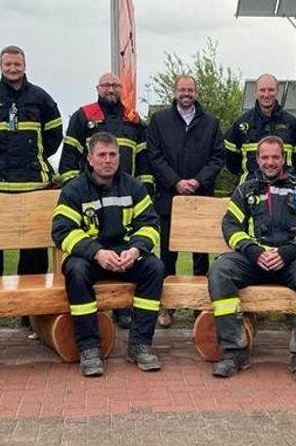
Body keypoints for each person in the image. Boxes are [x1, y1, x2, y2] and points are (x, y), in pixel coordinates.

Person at [0, 45, 63, 333]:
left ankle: (31, 311)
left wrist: (36, 159)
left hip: (33, 184)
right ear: (0, 65)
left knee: (34, 253)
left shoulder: (41, 98)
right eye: (8, 64)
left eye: (17, 63)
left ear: (25, 64)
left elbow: (54, 137)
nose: (13, 68)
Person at [208, 135, 296, 382]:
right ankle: (234, 352)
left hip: (292, 259)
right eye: (265, 157)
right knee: (220, 270)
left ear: (283, 158)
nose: (270, 162)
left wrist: (289, 251)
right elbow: (230, 226)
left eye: (275, 157)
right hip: (254, 259)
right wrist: (253, 251)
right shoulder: (245, 189)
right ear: (257, 159)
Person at [51, 132, 165, 377]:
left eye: (113, 154)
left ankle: (140, 345)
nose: (108, 160)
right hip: (91, 259)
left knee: (154, 267)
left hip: (126, 256)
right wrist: (96, 253)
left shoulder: (134, 187)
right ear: (90, 159)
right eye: (102, 155)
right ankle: (90, 349)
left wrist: (136, 250)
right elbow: (62, 231)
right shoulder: (74, 190)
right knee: (76, 270)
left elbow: (150, 225)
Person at [58, 73, 153, 329]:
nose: (111, 89)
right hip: (90, 196)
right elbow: (70, 154)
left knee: (144, 261)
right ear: (97, 88)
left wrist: (144, 188)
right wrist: (73, 188)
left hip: (126, 194)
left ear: (121, 89)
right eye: (106, 85)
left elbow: (143, 158)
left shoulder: (133, 119)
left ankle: (125, 314)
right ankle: (89, 335)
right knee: (81, 266)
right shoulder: (84, 115)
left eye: (115, 85)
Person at [146, 75, 225, 327]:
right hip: (170, 198)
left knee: (200, 256)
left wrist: (198, 181)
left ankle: (199, 307)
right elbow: (154, 156)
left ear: (197, 92)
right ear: (174, 92)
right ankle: (166, 307)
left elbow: (218, 157)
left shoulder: (211, 123)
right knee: (167, 255)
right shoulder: (159, 120)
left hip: (201, 199)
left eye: (190, 89)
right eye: (182, 89)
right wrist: (175, 182)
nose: (186, 93)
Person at [224, 74, 296, 183]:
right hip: (250, 190)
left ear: (277, 91)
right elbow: (230, 160)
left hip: (285, 190)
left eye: (271, 90)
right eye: (262, 90)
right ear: (255, 92)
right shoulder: (242, 124)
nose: (266, 94)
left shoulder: (292, 124)